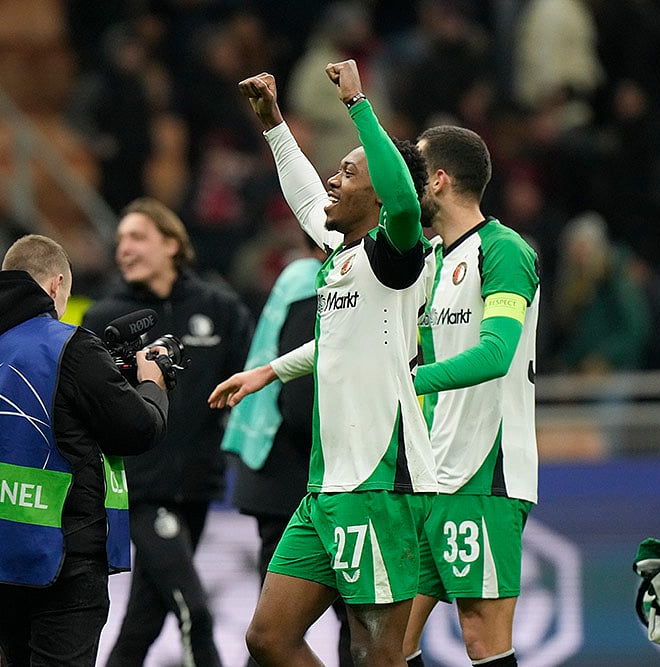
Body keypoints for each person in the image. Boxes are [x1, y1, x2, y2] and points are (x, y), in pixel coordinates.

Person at [210, 60, 436, 665]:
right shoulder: (340, 256)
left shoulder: (399, 258)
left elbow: (403, 202)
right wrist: (273, 125)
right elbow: (305, 192)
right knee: (268, 638)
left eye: (348, 171)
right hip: (324, 484)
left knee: (374, 649)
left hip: (381, 479)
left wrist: (359, 103)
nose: (332, 181)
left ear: (384, 196)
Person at [0, 234, 169, 665]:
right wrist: (152, 385)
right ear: (55, 285)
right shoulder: (67, 344)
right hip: (62, 555)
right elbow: (138, 430)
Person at [82, 198, 253, 667]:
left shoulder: (221, 310)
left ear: (172, 244)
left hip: (199, 487)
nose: (124, 249)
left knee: (142, 623)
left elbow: (250, 384)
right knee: (194, 611)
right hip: (139, 490)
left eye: (137, 237)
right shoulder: (103, 321)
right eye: (120, 241)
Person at [399, 125, 540, 667]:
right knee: (391, 641)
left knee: (480, 637)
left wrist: (410, 382)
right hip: (434, 470)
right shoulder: (430, 261)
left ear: (437, 180)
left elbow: (495, 354)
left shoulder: (503, 251)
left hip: (487, 470)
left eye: (414, 173)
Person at [221, 239, 354, 667]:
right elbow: (301, 402)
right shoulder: (315, 285)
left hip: (273, 470)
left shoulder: (297, 276)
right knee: (345, 625)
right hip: (294, 478)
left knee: (274, 632)